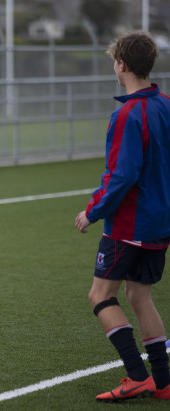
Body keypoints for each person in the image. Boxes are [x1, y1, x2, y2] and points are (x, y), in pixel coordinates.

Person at [75, 31, 170, 402]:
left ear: (122, 65)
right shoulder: (166, 105)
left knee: (100, 296)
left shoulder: (127, 114)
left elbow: (122, 175)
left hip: (130, 225)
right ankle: (163, 382)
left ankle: (137, 376)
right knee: (139, 296)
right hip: (160, 223)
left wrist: (92, 211)